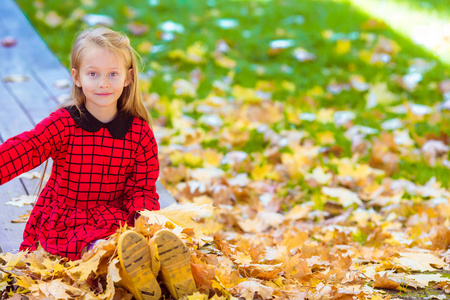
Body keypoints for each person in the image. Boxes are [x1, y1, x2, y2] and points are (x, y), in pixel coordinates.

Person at [0, 27, 195, 299]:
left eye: (112, 74)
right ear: (77, 77)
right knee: (98, 251)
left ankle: (161, 264)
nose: (103, 83)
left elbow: (142, 189)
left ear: (127, 78)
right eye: (93, 74)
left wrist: (143, 223)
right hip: (66, 220)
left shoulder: (139, 134)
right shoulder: (64, 124)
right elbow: (26, 148)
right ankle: (136, 272)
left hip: (114, 217)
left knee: (127, 241)